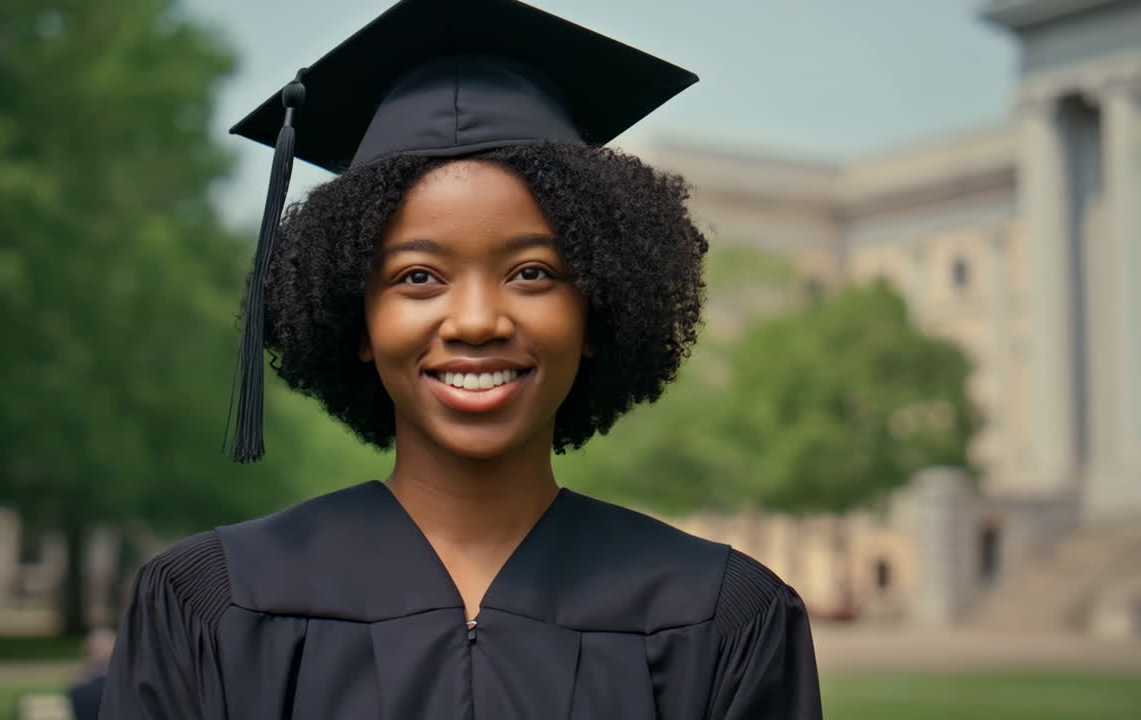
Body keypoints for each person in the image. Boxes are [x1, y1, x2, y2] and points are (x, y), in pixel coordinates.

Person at [99, 0, 823, 717]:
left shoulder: (721, 619)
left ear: (597, 309)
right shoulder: (212, 604)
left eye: (532, 272)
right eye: (418, 278)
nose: (477, 321)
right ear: (356, 319)